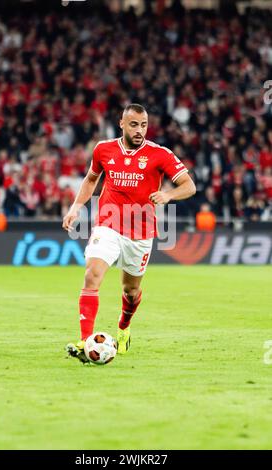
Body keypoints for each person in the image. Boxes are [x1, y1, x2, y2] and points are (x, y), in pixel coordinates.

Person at [62, 104, 196, 363]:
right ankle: (86, 340)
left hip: (140, 233)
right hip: (108, 225)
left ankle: (123, 327)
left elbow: (189, 185)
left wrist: (168, 194)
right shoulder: (103, 149)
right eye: (134, 125)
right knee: (92, 275)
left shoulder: (160, 154)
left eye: (143, 125)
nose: (139, 130)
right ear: (121, 123)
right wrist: (76, 208)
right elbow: (91, 179)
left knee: (131, 291)